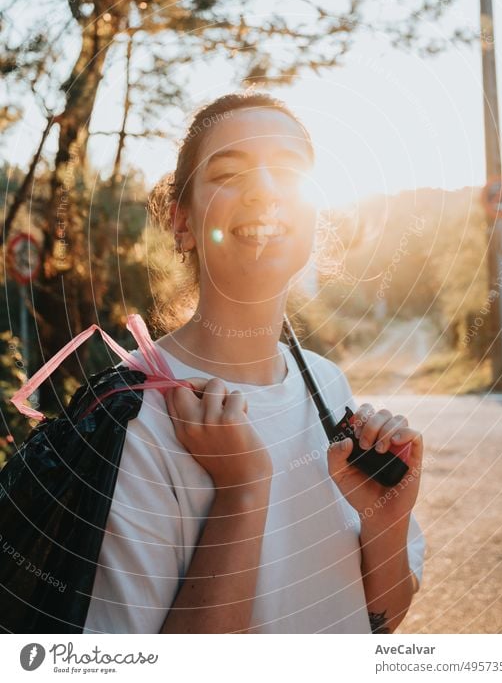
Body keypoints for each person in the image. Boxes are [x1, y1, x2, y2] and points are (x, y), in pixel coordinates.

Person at [83, 90, 425, 635]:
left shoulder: (327, 384)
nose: (265, 190)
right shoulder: (134, 415)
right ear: (182, 223)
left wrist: (386, 521)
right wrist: (241, 494)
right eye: (228, 173)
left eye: (289, 172)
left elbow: (380, 622)